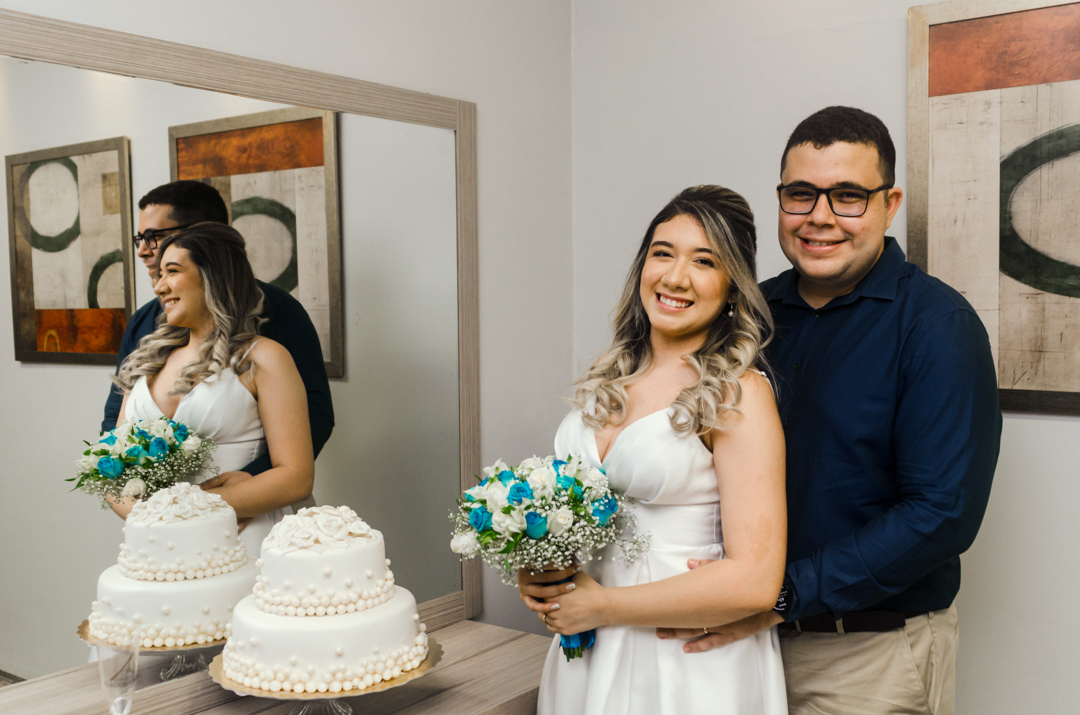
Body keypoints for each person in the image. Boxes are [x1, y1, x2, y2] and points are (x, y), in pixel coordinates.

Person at [658, 107, 1001, 715]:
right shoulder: (746, 317)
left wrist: (783, 595)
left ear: (889, 204)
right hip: (734, 649)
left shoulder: (937, 326)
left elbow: (941, 514)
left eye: (847, 196)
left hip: (867, 658)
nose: (820, 216)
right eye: (801, 194)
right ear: (780, 200)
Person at [518, 185, 789, 714]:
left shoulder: (739, 394)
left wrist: (604, 607)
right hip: (588, 650)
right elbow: (574, 523)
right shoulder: (611, 377)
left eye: (704, 261)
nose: (674, 277)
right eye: (662, 253)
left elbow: (756, 581)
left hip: (684, 662)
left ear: (733, 287)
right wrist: (543, 572)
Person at [102, 180, 333, 486]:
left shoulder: (278, 311)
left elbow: (314, 414)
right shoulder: (144, 320)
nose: (143, 250)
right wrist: (121, 478)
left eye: (154, 236)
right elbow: (116, 415)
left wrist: (250, 483)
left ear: (202, 235)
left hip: (243, 505)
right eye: (139, 239)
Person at [107, 223, 314, 554]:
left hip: (242, 538)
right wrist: (149, 519)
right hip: (158, 544)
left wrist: (191, 509)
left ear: (212, 275)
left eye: (171, 271)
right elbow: (111, 465)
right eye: (158, 275)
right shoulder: (148, 359)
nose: (159, 287)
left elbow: (297, 478)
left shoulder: (263, 358)